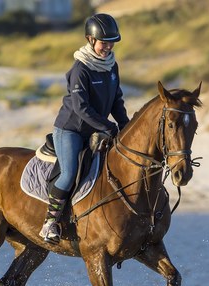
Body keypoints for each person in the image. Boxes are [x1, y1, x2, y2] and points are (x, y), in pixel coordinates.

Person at [39, 13, 130, 244]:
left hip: (97, 129)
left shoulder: (111, 66)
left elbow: (117, 100)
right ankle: (50, 223)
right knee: (69, 173)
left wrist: (125, 125)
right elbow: (81, 108)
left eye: (111, 42)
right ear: (90, 40)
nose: (108, 47)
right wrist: (108, 126)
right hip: (71, 129)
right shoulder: (81, 69)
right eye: (104, 42)